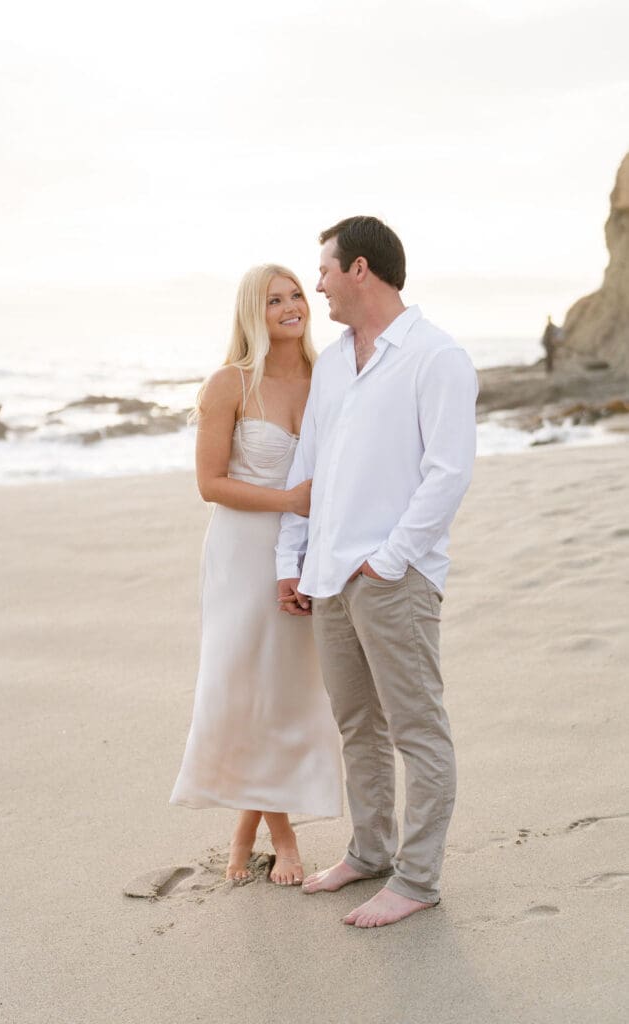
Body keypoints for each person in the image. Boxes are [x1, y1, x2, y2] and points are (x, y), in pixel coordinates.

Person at [276, 217, 478, 926]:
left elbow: (447, 474)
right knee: (356, 725)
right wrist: (289, 557)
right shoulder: (332, 362)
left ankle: (417, 879)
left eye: (325, 269)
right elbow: (310, 465)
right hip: (327, 575)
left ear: (359, 269)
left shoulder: (435, 357)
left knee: (417, 730)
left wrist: (388, 559)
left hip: (393, 577)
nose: (319, 284)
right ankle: (369, 851)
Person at [170, 264, 342, 885]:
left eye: (297, 294)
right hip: (243, 553)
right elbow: (209, 483)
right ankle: (283, 834)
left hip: (306, 554)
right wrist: (288, 501)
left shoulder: (330, 377)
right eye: (275, 299)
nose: (292, 306)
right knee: (245, 686)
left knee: (290, 690)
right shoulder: (230, 383)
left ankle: (246, 828)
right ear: (254, 311)